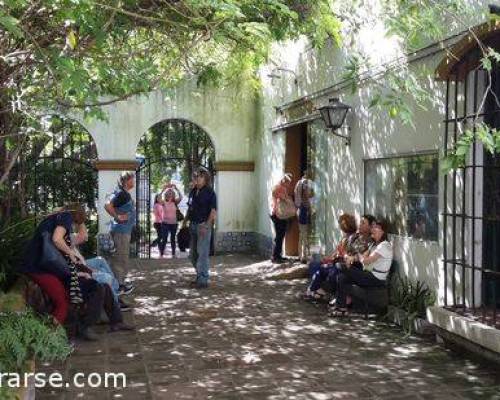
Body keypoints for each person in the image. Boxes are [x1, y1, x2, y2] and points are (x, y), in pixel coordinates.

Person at [330, 218, 393, 317]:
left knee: (339, 266)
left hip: (375, 279)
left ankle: (342, 305)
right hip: (368, 274)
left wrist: (351, 258)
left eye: (376, 227)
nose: (373, 229)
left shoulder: (384, 246)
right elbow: (362, 256)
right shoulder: (374, 244)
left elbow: (365, 260)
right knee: (341, 277)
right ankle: (341, 308)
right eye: (373, 227)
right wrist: (353, 258)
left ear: (383, 231)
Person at [304, 213, 357, 301]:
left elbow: (344, 255)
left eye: (341, 225)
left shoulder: (352, 238)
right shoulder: (345, 237)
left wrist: (331, 259)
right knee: (314, 264)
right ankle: (315, 290)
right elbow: (337, 252)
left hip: (341, 264)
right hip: (336, 261)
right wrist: (328, 258)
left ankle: (313, 291)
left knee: (320, 268)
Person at [105, 171, 136, 294]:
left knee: (121, 258)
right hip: (121, 232)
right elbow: (107, 205)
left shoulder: (121, 193)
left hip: (122, 231)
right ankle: (118, 287)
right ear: (126, 181)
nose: (133, 182)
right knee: (120, 259)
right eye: (132, 179)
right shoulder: (122, 194)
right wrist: (117, 217)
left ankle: (120, 283)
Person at [187, 167, 217, 288]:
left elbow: (213, 211)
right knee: (193, 255)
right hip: (193, 225)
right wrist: (185, 221)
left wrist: (207, 225)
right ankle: (200, 275)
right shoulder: (193, 191)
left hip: (203, 226)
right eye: (195, 177)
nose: (197, 179)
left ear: (206, 178)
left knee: (202, 254)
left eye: (199, 176)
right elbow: (190, 207)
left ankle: (203, 280)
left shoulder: (210, 192)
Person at [270, 173, 293, 263]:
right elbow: (281, 197)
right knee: (280, 236)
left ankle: (277, 255)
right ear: (285, 181)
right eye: (288, 182)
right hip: (278, 214)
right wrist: (287, 199)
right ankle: (275, 256)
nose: (289, 185)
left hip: (278, 214)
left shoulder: (279, 187)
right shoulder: (279, 188)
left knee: (280, 235)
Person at [294, 171, 314, 263]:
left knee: (302, 233)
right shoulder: (305, 182)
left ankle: (300, 255)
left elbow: (297, 196)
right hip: (304, 209)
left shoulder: (298, 182)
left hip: (299, 209)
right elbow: (307, 195)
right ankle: (305, 256)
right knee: (305, 233)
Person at [162, 183, 183, 258]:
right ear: (166, 195)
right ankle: (161, 253)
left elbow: (181, 197)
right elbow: (158, 198)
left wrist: (176, 189)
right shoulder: (164, 202)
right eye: (168, 192)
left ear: (173, 195)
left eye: (171, 193)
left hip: (174, 223)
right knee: (164, 238)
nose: (170, 194)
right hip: (165, 223)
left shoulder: (175, 202)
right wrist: (163, 189)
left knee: (173, 239)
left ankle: (173, 253)